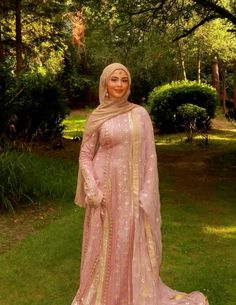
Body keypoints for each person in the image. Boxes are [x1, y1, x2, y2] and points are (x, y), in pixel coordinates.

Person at [71, 63, 209, 305]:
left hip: (131, 194)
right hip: (103, 193)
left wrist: (144, 195)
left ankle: (128, 294)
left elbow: (149, 159)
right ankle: (102, 295)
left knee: (128, 243)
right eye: (114, 79)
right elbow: (85, 155)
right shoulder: (97, 116)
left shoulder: (139, 114)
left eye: (124, 80)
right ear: (105, 83)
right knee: (104, 245)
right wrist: (92, 188)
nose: (120, 85)